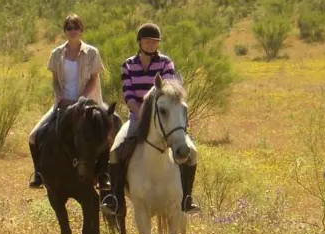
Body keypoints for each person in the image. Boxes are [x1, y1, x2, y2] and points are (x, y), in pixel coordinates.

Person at [101, 22, 199, 217]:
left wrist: (157, 114)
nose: (151, 45)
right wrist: (142, 114)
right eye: (147, 41)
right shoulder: (128, 65)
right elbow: (128, 95)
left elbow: (170, 91)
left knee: (193, 152)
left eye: (155, 42)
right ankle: (115, 197)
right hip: (137, 115)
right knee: (114, 151)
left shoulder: (165, 63)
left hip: (165, 117)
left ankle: (186, 198)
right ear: (139, 42)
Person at [28, 14, 106, 190]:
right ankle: (39, 173)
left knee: (108, 133)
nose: (72, 31)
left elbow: (94, 79)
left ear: (81, 30)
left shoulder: (92, 52)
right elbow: (55, 80)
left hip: (88, 104)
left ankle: (104, 176)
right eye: (69, 28)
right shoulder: (56, 53)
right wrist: (59, 95)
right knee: (34, 136)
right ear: (65, 31)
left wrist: (82, 98)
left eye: (76, 27)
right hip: (63, 104)